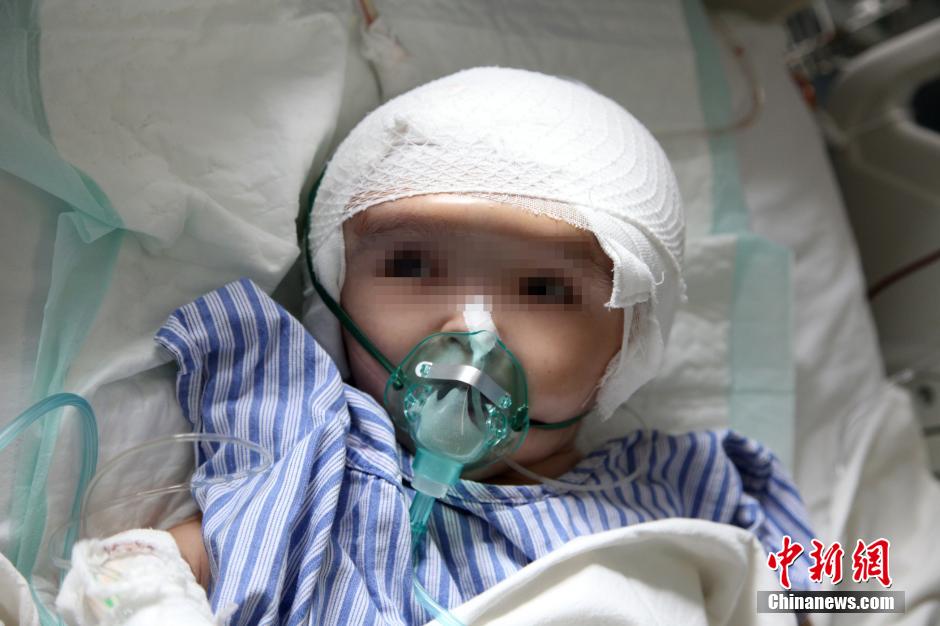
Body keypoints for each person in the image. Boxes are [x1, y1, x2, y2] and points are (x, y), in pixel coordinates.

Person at [62, 67, 815, 625]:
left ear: (631, 343)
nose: (470, 332)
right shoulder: (313, 470)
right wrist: (148, 590)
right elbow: (135, 574)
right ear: (336, 290)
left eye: (545, 289)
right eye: (411, 266)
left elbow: (838, 593)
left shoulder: (686, 483)